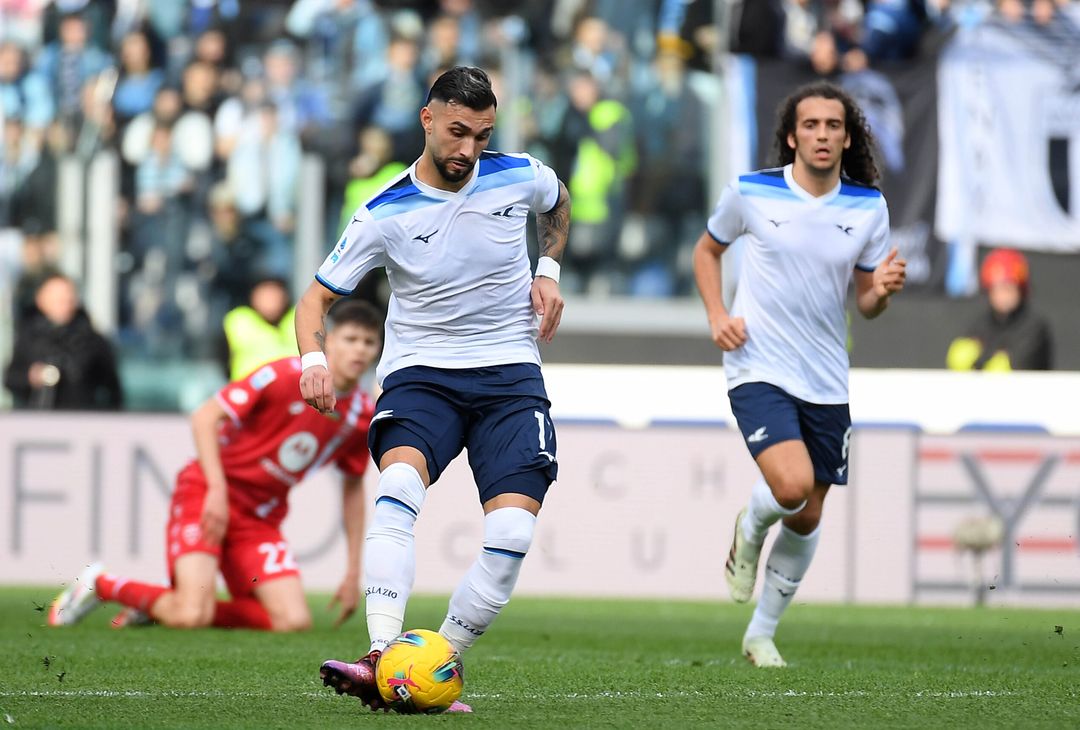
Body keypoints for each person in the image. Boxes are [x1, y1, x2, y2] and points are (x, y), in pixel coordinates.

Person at [295, 66, 570, 712]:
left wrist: (549, 270)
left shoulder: (519, 174)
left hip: (510, 377)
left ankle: (429, 668)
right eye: (456, 132)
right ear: (427, 119)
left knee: (512, 537)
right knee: (398, 489)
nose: (467, 149)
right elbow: (315, 300)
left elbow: (559, 202)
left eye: (480, 134)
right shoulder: (384, 212)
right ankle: (380, 653)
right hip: (423, 376)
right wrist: (313, 358)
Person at [691, 81, 906, 667]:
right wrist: (717, 314)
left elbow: (865, 300)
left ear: (847, 136)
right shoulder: (752, 192)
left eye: (833, 126)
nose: (822, 135)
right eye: (810, 125)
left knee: (809, 514)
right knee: (788, 487)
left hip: (827, 376)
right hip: (757, 364)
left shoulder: (867, 208)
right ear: (792, 135)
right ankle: (749, 528)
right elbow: (706, 251)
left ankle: (761, 633)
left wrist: (881, 291)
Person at [47, 300, 382, 633]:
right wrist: (218, 491)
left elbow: (353, 488)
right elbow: (205, 417)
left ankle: (157, 603)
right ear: (328, 341)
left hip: (259, 517)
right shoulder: (283, 375)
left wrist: (354, 573)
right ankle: (100, 584)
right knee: (192, 615)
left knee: (292, 621)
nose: (360, 351)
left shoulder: (361, 416)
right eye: (350, 339)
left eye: (369, 343)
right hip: (207, 491)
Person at [3, 272, 122, 410]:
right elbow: (11, 379)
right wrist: (33, 376)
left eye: (68, 299)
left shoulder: (93, 341)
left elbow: (112, 389)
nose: (64, 305)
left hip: (82, 420)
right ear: (41, 301)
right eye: (58, 300)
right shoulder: (29, 337)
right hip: (37, 420)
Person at [946, 248, 1053, 371]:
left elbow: (1011, 366)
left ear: (1020, 290)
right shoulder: (981, 323)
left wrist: (981, 357)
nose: (1002, 296)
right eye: (996, 289)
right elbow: (959, 359)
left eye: (1008, 288)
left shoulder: (1034, 327)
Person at [222, 276, 297, 381]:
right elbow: (222, 359)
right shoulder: (238, 320)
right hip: (248, 392)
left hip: (292, 391)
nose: (270, 301)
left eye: (274, 296)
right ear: (253, 297)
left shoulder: (299, 318)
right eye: (264, 295)